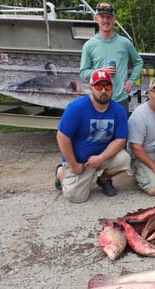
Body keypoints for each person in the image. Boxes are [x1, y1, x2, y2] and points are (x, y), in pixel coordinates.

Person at [55, 69, 131, 203]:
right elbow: (62, 137)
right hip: (80, 162)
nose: (103, 90)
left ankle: (104, 179)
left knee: (124, 159)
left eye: (107, 86)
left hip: (101, 158)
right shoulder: (76, 107)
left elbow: (120, 139)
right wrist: (73, 165)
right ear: (91, 88)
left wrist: (101, 158)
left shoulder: (118, 110)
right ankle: (61, 173)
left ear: (112, 88)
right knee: (77, 197)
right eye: (98, 86)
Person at [80, 2, 143, 116]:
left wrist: (131, 81)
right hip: (98, 100)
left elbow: (138, 62)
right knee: (99, 133)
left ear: (114, 20)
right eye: (102, 17)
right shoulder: (89, 45)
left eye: (109, 17)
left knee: (121, 133)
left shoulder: (125, 43)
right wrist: (101, 71)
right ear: (96, 19)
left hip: (120, 99)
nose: (105, 20)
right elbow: (83, 72)